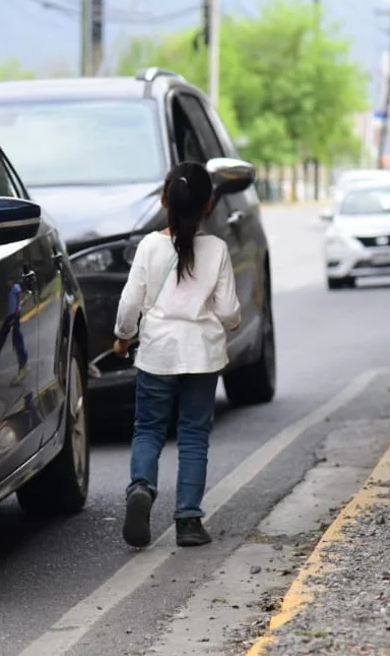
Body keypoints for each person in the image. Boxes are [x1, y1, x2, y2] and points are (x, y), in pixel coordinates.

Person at [111, 161, 240, 548]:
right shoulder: (216, 249)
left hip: (157, 353)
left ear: (165, 199)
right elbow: (230, 311)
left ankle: (142, 489)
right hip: (202, 355)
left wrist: (122, 337)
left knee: (149, 429)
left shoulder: (149, 246)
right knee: (194, 435)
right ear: (209, 204)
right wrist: (225, 323)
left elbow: (130, 302)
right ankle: (187, 521)